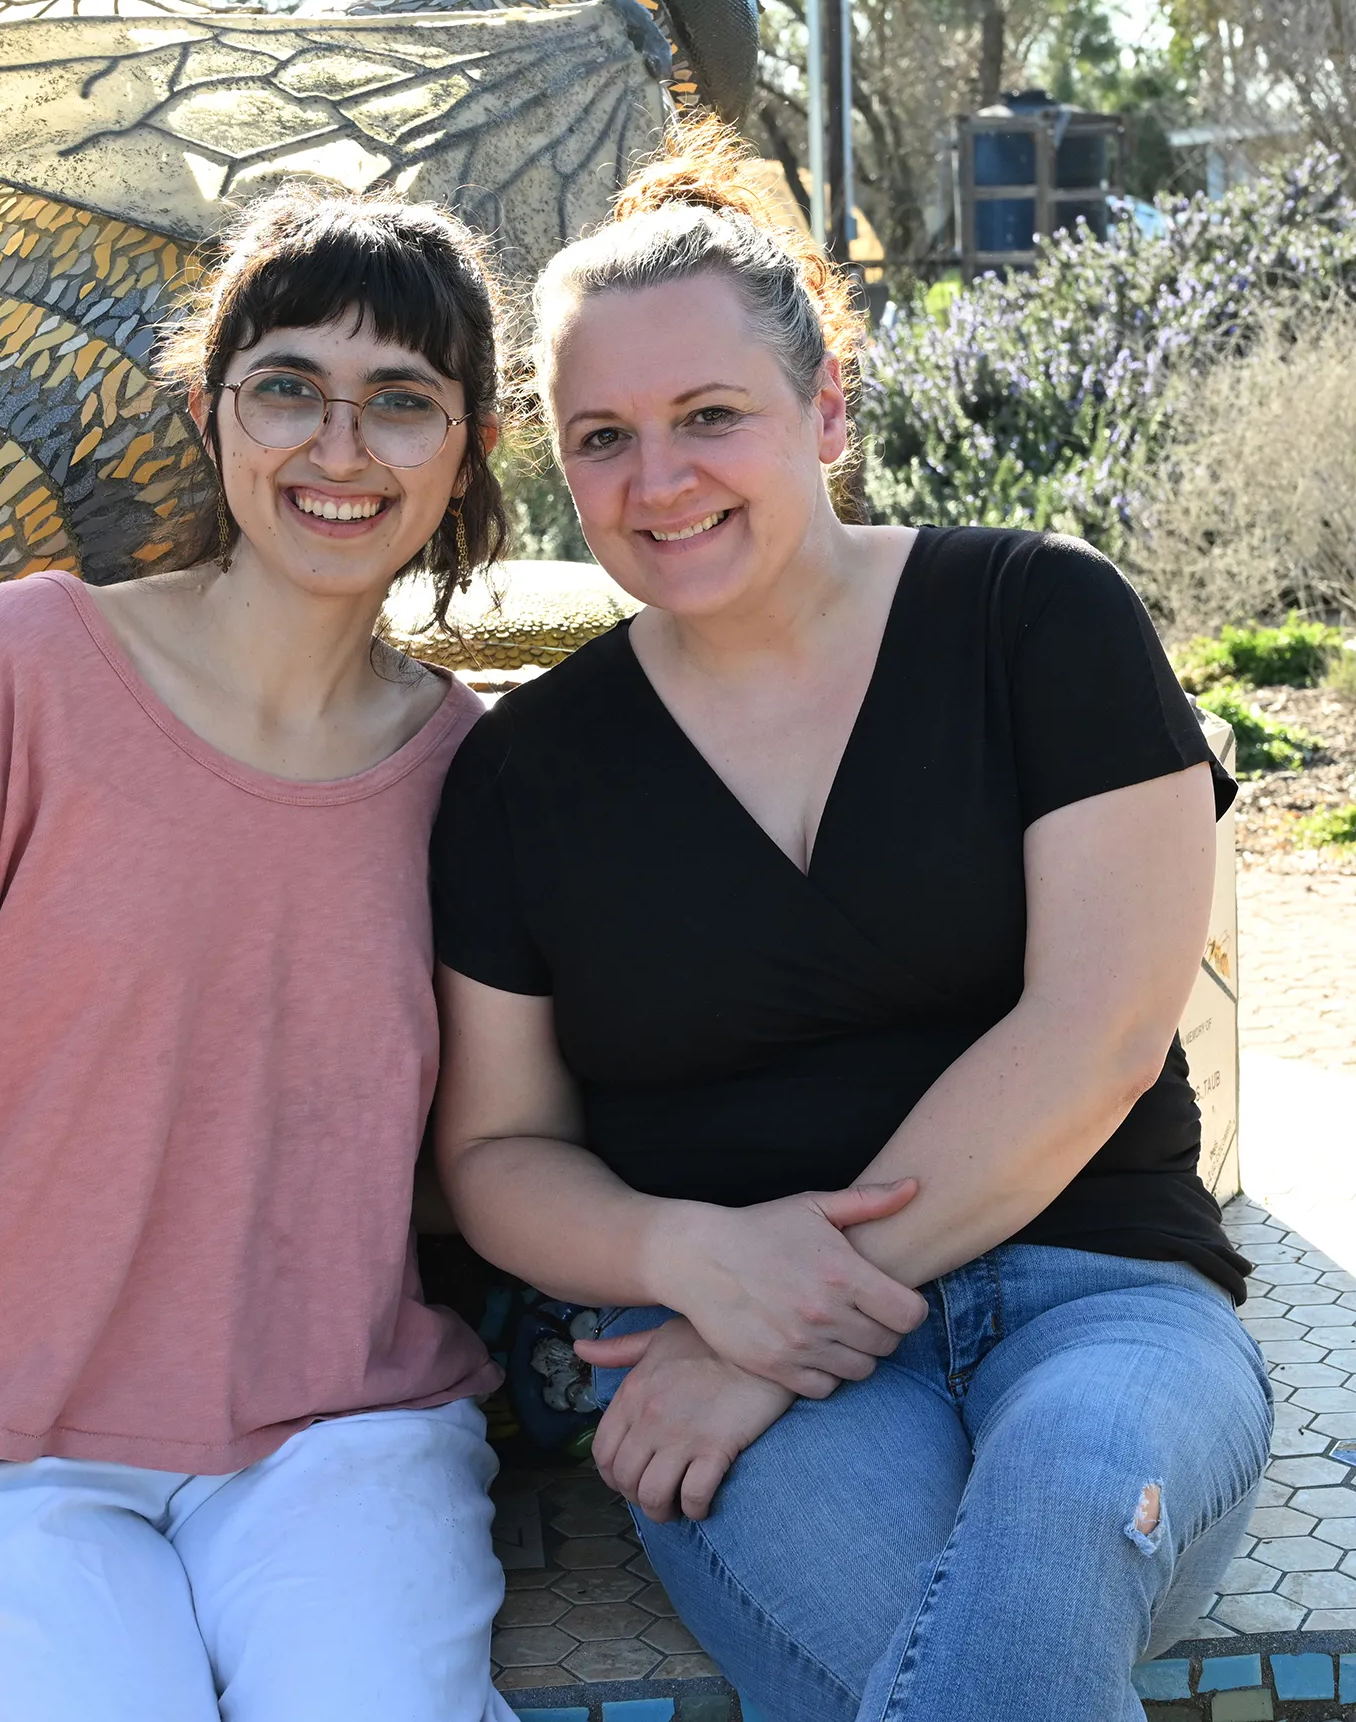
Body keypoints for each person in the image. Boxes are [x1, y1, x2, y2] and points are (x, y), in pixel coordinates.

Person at [428, 119, 1272, 1722]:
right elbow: (497, 1151)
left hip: (1100, 1297)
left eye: (710, 415)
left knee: (1059, 1511)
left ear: (825, 409)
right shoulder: (523, 775)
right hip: (720, 1329)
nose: (657, 480)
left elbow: (1094, 1036)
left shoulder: (1041, 621)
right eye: (602, 437)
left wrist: (783, 1318)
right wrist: (692, 1260)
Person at [0, 188, 521, 1722]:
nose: (340, 446)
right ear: (211, 412)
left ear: (468, 450)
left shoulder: (477, 781)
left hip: (335, 1438)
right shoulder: (15, 674)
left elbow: (478, 1151)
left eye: (402, 400)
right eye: (289, 386)